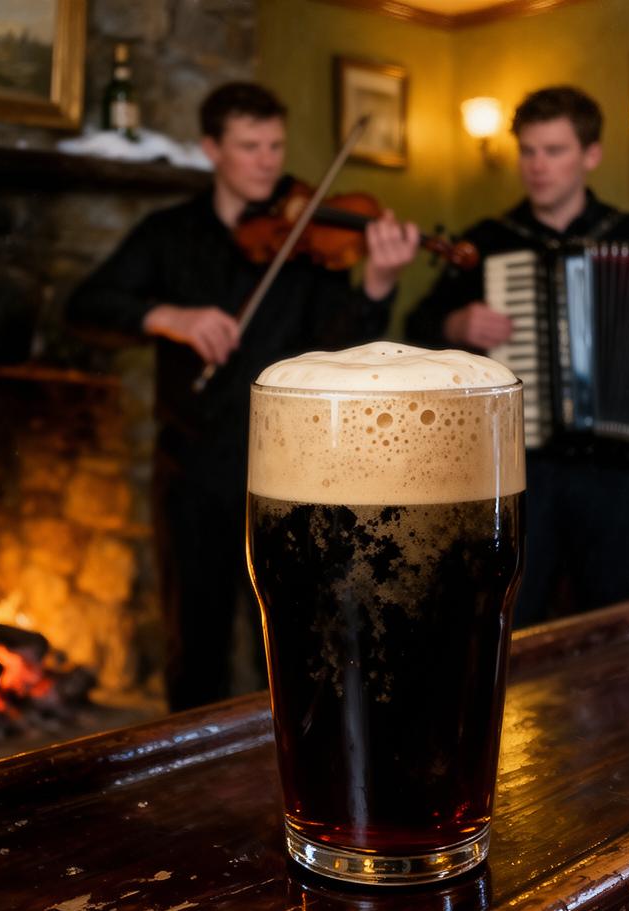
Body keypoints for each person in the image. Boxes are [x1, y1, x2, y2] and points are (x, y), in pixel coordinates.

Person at [67, 82, 420, 711]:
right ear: (211, 149)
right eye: (249, 145)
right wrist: (164, 315)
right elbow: (85, 307)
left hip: (290, 472)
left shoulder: (312, 239)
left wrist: (378, 283)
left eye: (275, 145)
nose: (266, 160)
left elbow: (342, 349)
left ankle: (291, 781)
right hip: (193, 467)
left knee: (292, 640)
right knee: (193, 642)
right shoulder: (168, 233)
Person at [405, 85, 629, 627]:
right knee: (513, 615)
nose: (537, 166)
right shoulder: (487, 240)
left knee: (616, 618)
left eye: (554, 151)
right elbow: (415, 332)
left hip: (616, 470)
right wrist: (454, 324)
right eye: (528, 151)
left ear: (591, 155)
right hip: (515, 469)